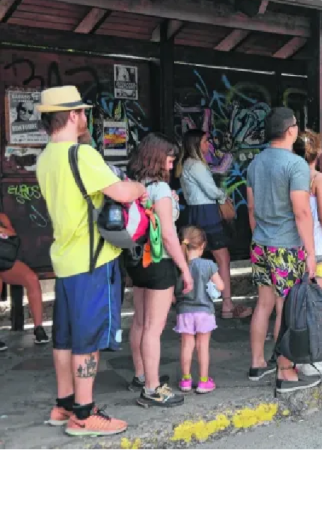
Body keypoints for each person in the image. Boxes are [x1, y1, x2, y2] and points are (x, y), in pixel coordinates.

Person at [37, 85, 145, 436]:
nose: (86, 117)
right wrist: (140, 187)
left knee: (65, 337)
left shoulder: (46, 158)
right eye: (82, 112)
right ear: (72, 115)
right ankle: (84, 414)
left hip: (66, 261)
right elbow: (122, 192)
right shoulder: (82, 155)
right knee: (88, 339)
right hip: (93, 262)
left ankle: (64, 404)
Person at [246, 107, 318, 394]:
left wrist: (260, 235)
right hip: (286, 246)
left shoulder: (256, 163)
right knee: (287, 309)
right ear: (291, 130)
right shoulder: (296, 164)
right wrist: (311, 252)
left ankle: (257, 363)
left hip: (260, 243)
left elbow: (251, 207)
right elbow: (302, 211)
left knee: (263, 304)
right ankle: (285, 372)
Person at [125, 132, 192, 408]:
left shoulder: (135, 184)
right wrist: (185, 268)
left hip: (137, 261)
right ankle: (152, 389)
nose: (172, 164)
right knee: (154, 329)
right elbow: (168, 235)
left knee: (140, 322)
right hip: (159, 262)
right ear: (157, 157)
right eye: (169, 158)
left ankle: (141, 375)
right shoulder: (161, 189)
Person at [177, 129, 251, 320]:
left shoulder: (187, 164)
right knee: (223, 258)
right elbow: (211, 191)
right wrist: (223, 195)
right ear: (196, 144)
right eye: (204, 141)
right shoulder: (196, 165)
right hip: (207, 213)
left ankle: (192, 303)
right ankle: (227, 305)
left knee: (193, 259)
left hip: (195, 213)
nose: (208, 144)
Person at [290, 129, 322, 376]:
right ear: (318, 152)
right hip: (318, 247)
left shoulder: (290, 175)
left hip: (294, 245)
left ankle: (293, 357)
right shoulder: (318, 179)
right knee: (314, 303)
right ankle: (311, 358)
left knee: (296, 304)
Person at [174, 226, 223, 394]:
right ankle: (203, 381)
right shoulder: (208, 265)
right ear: (202, 245)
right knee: (203, 346)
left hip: (184, 311)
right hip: (204, 312)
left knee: (186, 346)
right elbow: (220, 286)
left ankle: (186, 380)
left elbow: (175, 292)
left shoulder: (180, 266)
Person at [0, 212, 49, 344]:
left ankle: (38, 328)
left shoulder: (2, 217)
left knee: (31, 278)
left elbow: (12, 235)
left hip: (4, 260)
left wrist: (2, 231)